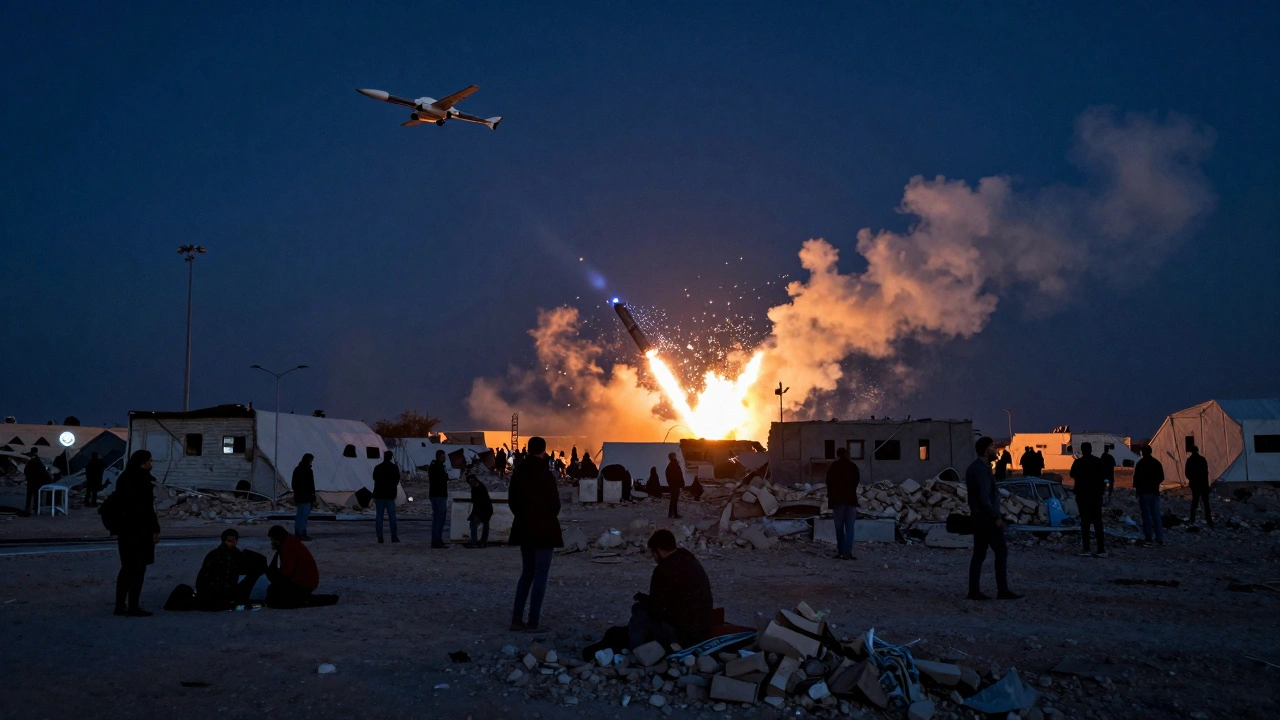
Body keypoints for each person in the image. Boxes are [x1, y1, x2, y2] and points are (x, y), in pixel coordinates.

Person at [582, 529, 714, 660]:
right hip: (702, 629)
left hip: (683, 635)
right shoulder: (689, 559)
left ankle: (636, 651)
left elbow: (657, 609)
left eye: (653, 553)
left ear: (659, 549)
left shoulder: (664, 570)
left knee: (639, 611)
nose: (654, 557)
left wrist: (644, 601)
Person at [508, 436, 563, 632]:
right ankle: (533, 621)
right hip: (544, 530)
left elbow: (512, 501)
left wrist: (523, 518)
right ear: (544, 450)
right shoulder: (546, 474)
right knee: (541, 575)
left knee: (527, 573)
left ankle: (516, 619)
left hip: (524, 528)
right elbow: (555, 504)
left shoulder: (518, 473)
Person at [965, 437, 1021, 600]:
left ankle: (974, 590)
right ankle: (1001, 590)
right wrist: (995, 517)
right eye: (992, 446)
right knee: (1000, 552)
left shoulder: (980, 467)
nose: (995, 450)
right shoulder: (980, 470)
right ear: (984, 449)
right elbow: (984, 496)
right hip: (986, 519)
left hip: (981, 517)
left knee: (980, 554)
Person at [113, 450, 161, 616]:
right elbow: (147, 509)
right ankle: (132, 606)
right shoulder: (140, 480)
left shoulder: (125, 478)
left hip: (126, 530)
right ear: (142, 462)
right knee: (137, 569)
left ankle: (121, 606)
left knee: (127, 568)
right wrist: (154, 529)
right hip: (139, 531)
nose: (151, 464)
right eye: (149, 461)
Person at [195, 529, 267, 610]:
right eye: (229, 541)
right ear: (224, 541)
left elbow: (257, 565)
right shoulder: (214, 556)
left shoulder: (236, 555)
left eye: (234, 540)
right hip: (215, 594)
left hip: (228, 592)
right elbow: (203, 579)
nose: (232, 543)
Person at [265, 525, 320, 608]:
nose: (272, 542)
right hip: (306, 581)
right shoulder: (289, 541)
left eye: (274, 540)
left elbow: (286, 571)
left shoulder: (287, 547)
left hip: (304, 583)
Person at [1070, 442, 1107, 557]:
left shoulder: (1078, 462)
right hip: (1096, 496)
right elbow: (1104, 475)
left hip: (1083, 496)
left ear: (1082, 450)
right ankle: (1101, 550)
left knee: (1085, 523)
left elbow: (1072, 474)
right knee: (1097, 523)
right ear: (1091, 449)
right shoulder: (1098, 462)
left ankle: (1086, 548)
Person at [826, 447, 860, 560]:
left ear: (837, 455)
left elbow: (829, 483)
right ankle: (848, 552)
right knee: (850, 528)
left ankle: (841, 552)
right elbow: (856, 482)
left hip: (838, 502)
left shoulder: (834, 467)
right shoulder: (853, 466)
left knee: (839, 528)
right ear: (846, 454)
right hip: (851, 501)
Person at [1133, 446, 1165, 545]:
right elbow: (1161, 477)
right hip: (1154, 492)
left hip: (1144, 493)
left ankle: (1148, 537)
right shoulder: (1156, 463)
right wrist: (1155, 484)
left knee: (1146, 516)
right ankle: (1159, 537)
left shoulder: (1140, 464)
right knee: (1156, 515)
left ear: (1143, 452)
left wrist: (1138, 489)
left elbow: (1136, 478)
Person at [372, 450, 401, 544]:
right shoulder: (394, 468)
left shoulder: (378, 467)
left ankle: (380, 536)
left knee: (379, 516)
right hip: (390, 495)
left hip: (379, 494)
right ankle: (394, 536)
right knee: (392, 517)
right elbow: (397, 480)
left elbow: (374, 478)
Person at [427, 449, 450, 548]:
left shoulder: (433, 466)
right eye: (443, 456)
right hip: (439, 494)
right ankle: (436, 540)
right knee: (439, 518)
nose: (444, 458)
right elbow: (443, 478)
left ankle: (437, 539)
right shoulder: (438, 467)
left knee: (437, 518)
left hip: (436, 494)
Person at [1185, 445, 1212, 527]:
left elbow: (1187, 473)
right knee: (1206, 503)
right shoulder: (1202, 459)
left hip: (1195, 484)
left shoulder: (1190, 460)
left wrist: (1192, 479)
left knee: (1195, 502)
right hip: (1203, 484)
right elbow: (1206, 472)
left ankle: (1192, 519)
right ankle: (1209, 520)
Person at [465, 474, 493, 549]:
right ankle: (481, 542)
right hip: (484, 509)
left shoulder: (478, 488)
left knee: (477, 525)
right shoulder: (478, 487)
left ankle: (478, 541)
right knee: (481, 525)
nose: (472, 483)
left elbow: (478, 501)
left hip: (483, 509)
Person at [292, 453, 316, 540]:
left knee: (299, 515)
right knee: (304, 516)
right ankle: (302, 532)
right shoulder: (308, 471)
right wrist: (312, 495)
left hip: (299, 497)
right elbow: (311, 485)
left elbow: (293, 485)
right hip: (306, 497)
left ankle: (297, 532)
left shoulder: (297, 469)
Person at [23, 448, 50, 514]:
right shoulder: (39, 462)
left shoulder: (30, 462)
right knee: (36, 495)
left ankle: (28, 508)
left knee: (29, 495)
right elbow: (44, 472)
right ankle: (35, 509)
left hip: (31, 480)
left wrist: (27, 479)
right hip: (37, 481)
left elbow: (26, 471)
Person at [664, 453, 685, 519]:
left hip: (672, 485)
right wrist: (682, 484)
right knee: (674, 500)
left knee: (673, 500)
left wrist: (670, 484)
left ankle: (671, 514)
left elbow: (668, 476)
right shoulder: (675, 465)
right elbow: (679, 475)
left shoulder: (669, 466)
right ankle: (674, 514)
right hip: (676, 485)